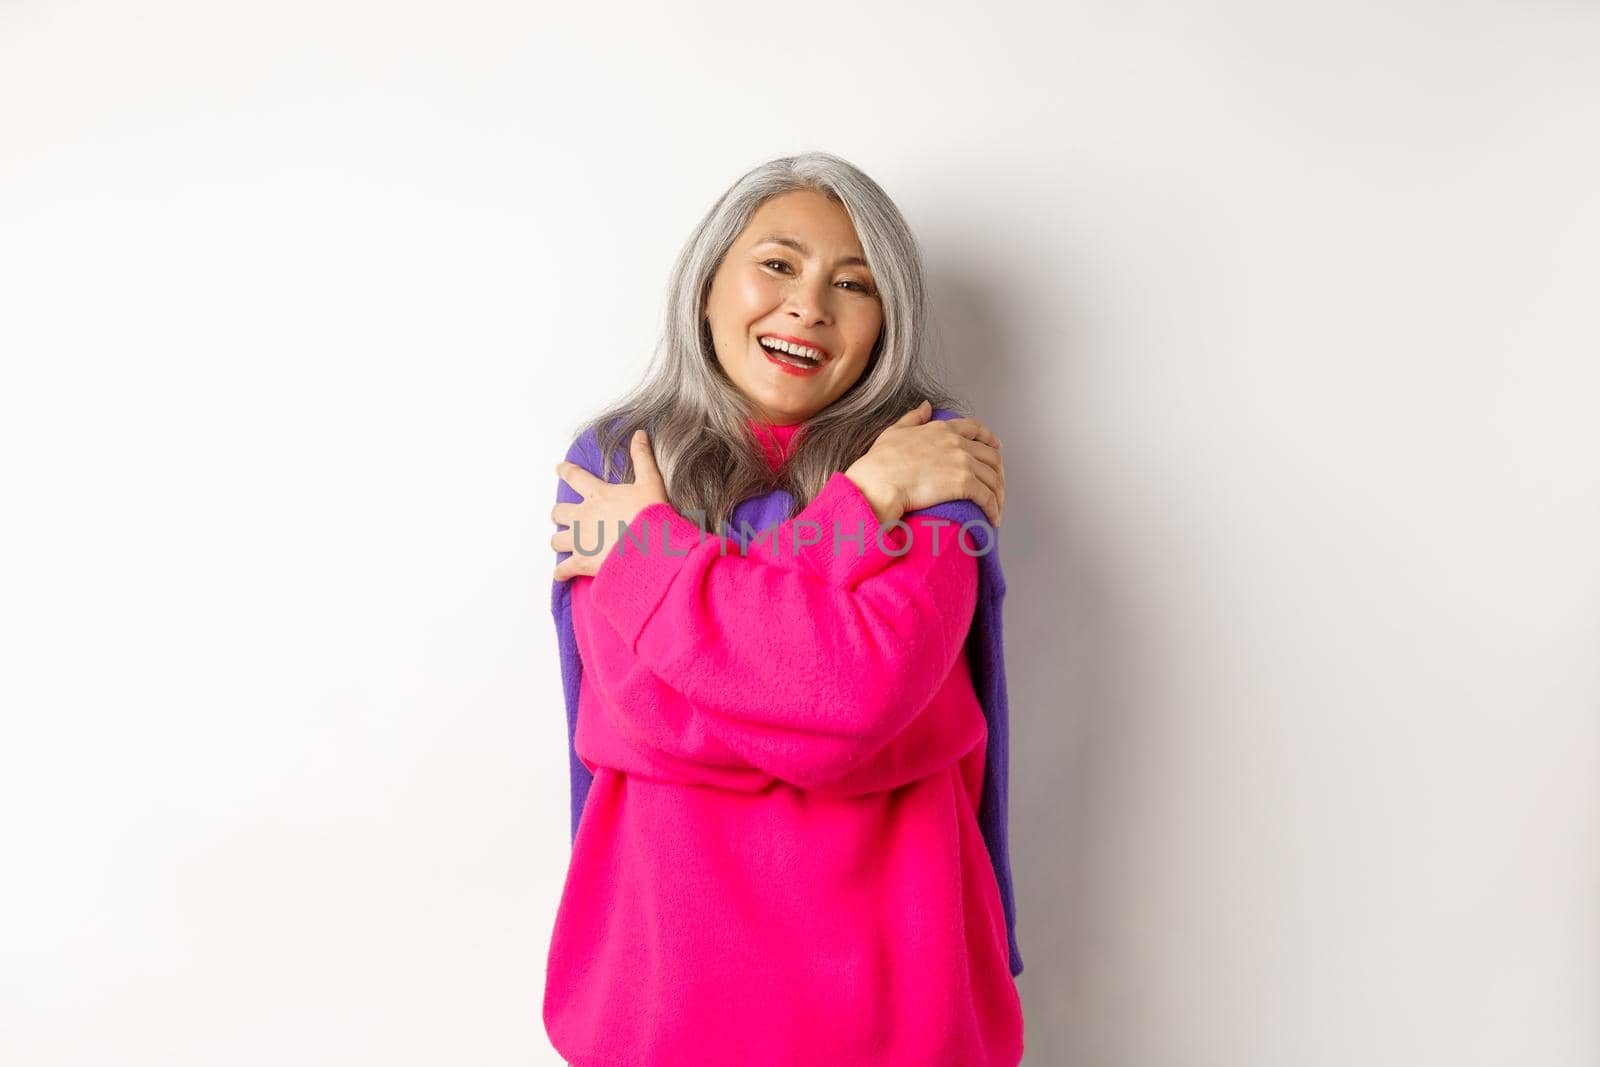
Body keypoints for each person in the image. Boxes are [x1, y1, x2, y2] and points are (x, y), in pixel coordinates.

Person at [544, 151, 1022, 1066]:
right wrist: (861, 507)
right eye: (777, 263)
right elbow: (650, 712)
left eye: (855, 283)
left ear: (887, 324)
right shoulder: (617, 460)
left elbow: (854, 700)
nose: (809, 305)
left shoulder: (930, 462)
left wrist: (651, 560)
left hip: (897, 1012)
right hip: (665, 1005)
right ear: (709, 281)